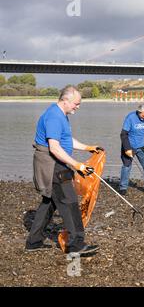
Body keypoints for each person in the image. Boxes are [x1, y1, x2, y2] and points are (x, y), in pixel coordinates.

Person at [26, 86, 101, 254]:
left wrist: (87, 147)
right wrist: (77, 165)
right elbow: (54, 148)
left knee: (49, 203)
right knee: (70, 202)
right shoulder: (54, 117)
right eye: (76, 103)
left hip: (55, 163)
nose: (78, 107)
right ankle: (76, 244)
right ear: (65, 100)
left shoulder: (61, 114)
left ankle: (33, 241)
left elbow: (66, 139)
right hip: (53, 165)